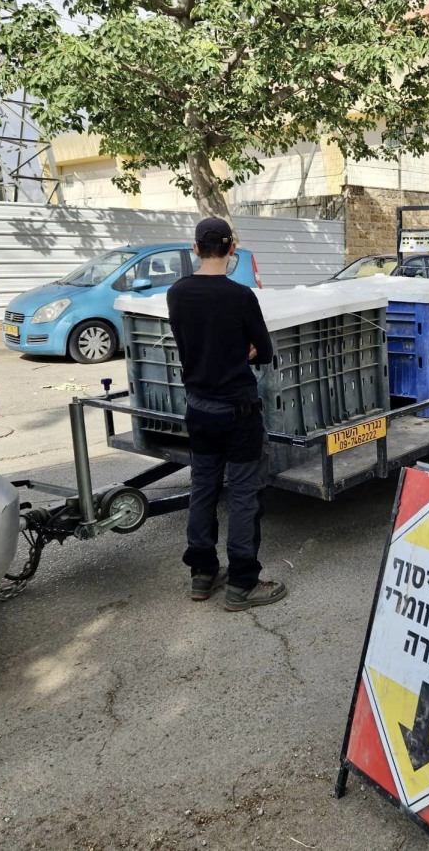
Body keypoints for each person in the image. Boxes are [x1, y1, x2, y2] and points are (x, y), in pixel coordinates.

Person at [166, 216, 287, 611]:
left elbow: (192, 341)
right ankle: (242, 583)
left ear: (196, 248)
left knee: (202, 488)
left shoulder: (177, 293)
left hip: (198, 409)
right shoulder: (240, 296)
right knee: (242, 495)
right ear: (231, 249)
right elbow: (264, 351)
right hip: (238, 412)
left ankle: (202, 573)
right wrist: (244, 348)